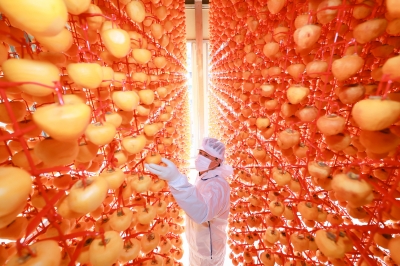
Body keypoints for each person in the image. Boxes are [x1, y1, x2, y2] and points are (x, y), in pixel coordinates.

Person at [145, 137, 233, 266]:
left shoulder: (217, 185)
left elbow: (203, 212)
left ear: (217, 161)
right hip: (199, 245)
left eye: (207, 155)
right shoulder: (204, 175)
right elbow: (196, 198)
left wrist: (176, 180)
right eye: (201, 153)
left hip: (208, 252)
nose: (201, 157)